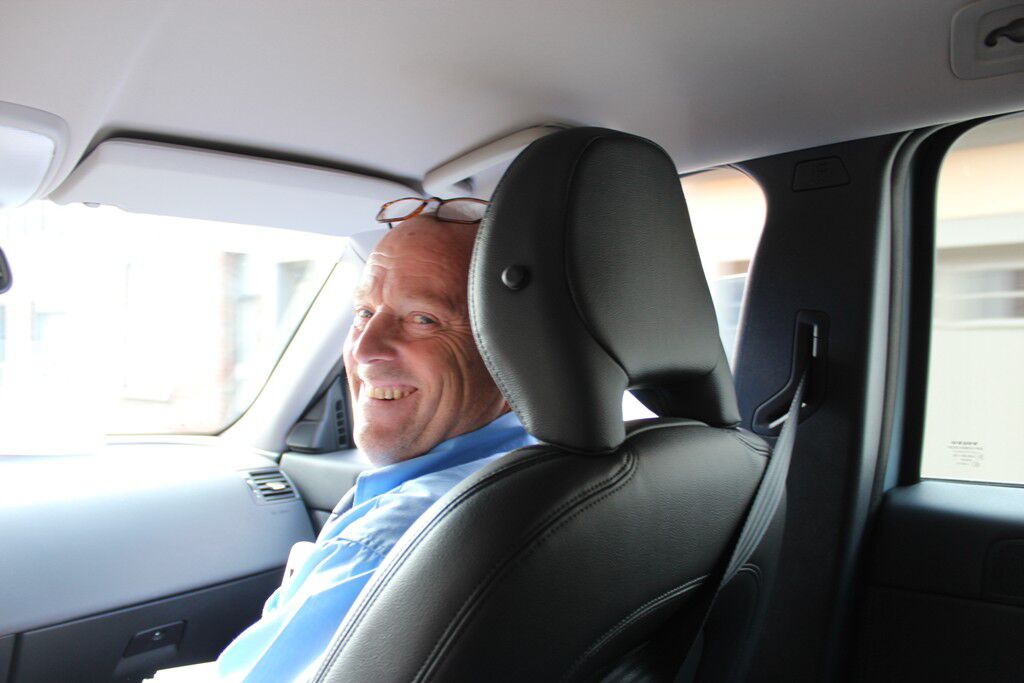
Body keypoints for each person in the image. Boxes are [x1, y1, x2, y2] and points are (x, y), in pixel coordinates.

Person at [214, 198, 536, 682]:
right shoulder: (598, 474)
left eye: (422, 318)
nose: (363, 350)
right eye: (364, 312)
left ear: (512, 348)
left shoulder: (389, 548)